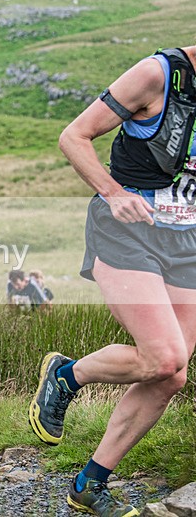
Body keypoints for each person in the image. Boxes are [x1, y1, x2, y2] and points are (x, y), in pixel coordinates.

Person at [29, 46, 196, 517]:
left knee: (171, 374)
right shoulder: (157, 76)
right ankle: (66, 377)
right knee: (163, 356)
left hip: (187, 241)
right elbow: (73, 136)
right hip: (126, 230)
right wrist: (114, 193)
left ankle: (89, 484)